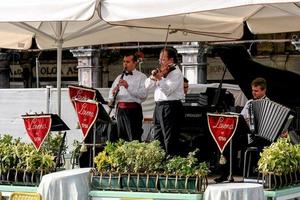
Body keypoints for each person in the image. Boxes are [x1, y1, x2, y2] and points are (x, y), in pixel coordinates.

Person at [214, 77, 269, 183]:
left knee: (261, 144)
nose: (253, 93)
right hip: (247, 134)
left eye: (256, 91)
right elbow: (241, 118)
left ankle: (258, 173)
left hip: (261, 137)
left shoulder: (269, 104)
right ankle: (226, 174)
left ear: (264, 90)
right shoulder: (249, 103)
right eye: (253, 90)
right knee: (228, 143)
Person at [145, 47, 184, 155]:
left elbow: (168, 91)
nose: (160, 62)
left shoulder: (176, 73)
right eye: (160, 59)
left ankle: (171, 162)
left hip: (170, 106)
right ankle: (159, 160)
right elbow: (146, 85)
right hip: (159, 106)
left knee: (169, 137)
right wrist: (153, 76)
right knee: (157, 135)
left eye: (163, 59)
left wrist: (159, 79)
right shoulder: (161, 72)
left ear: (171, 60)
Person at [108, 52, 147, 141]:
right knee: (121, 138)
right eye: (124, 61)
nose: (125, 64)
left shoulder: (142, 77)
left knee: (134, 137)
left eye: (128, 62)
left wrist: (127, 86)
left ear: (135, 63)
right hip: (120, 111)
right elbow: (110, 93)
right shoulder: (119, 77)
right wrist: (113, 94)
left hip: (133, 111)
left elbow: (143, 95)